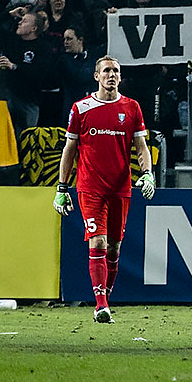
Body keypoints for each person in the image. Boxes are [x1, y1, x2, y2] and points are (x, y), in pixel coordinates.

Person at [54, 56, 154, 324]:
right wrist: (62, 187)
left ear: (120, 77)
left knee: (114, 248)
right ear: (96, 76)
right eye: (107, 71)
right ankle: (101, 305)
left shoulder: (131, 108)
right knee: (98, 241)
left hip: (120, 187)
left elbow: (141, 146)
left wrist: (147, 174)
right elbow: (70, 149)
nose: (112, 75)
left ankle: (104, 300)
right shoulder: (81, 108)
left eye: (116, 71)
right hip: (90, 187)